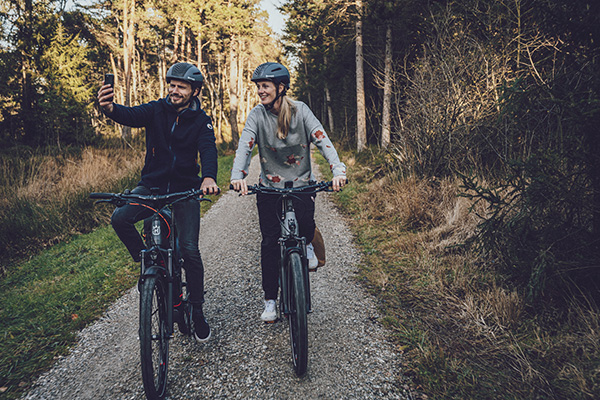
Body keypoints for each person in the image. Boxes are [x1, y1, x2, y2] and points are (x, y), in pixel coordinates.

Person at [97, 62, 219, 341]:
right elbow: (129, 115)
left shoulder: (201, 121)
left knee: (189, 251)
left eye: (182, 87)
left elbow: (208, 149)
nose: (174, 91)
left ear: (194, 91)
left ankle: (197, 311)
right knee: (120, 218)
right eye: (172, 85)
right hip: (150, 186)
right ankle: (148, 267)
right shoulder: (156, 110)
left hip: (185, 191)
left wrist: (208, 178)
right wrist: (109, 109)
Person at [230, 62, 347, 322]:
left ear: (281, 88)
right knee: (270, 242)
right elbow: (245, 147)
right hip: (269, 188)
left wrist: (337, 170)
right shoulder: (256, 116)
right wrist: (237, 176)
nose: (260, 91)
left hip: (302, 184)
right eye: (258, 86)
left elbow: (322, 139)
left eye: (265, 86)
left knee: (306, 224)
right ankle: (270, 300)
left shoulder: (301, 111)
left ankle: (306, 245)